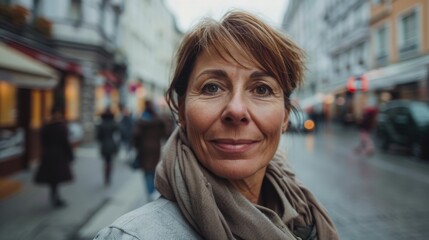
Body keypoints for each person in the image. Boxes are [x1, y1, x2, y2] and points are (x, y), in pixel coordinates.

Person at [95, 10, 339, 240]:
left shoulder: (305, 215)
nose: (236, 110)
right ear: (180, 110)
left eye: (261, 89)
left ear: (285, 115)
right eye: (212, 87)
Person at [34, 106, 74, 208]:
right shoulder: (61, 127)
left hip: (48, 154)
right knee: (56, 176)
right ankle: (55, 198)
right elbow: (65, 143)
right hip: (58, 155)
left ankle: (54, 197)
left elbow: (43, 142)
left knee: (53, 177)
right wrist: (70, 155)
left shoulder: (46, 127)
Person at [133, 100, 166, 201]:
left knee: (147, 172)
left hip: (144, 149)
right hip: (156, 148)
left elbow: (135, 136)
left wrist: (137, 146)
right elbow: (164, 133)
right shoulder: (158, 121)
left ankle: (150, 193)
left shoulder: (141, 121)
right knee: (153, 170)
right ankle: (153, 192)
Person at [96, 108, 120, 186]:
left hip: (104, 145)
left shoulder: (101, 124)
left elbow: (98, 137)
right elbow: (118, 133)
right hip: (112, 144)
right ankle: (108, 177)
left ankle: (106, 177)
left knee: (106, 161)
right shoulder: (113, 123)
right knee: (110, 161)